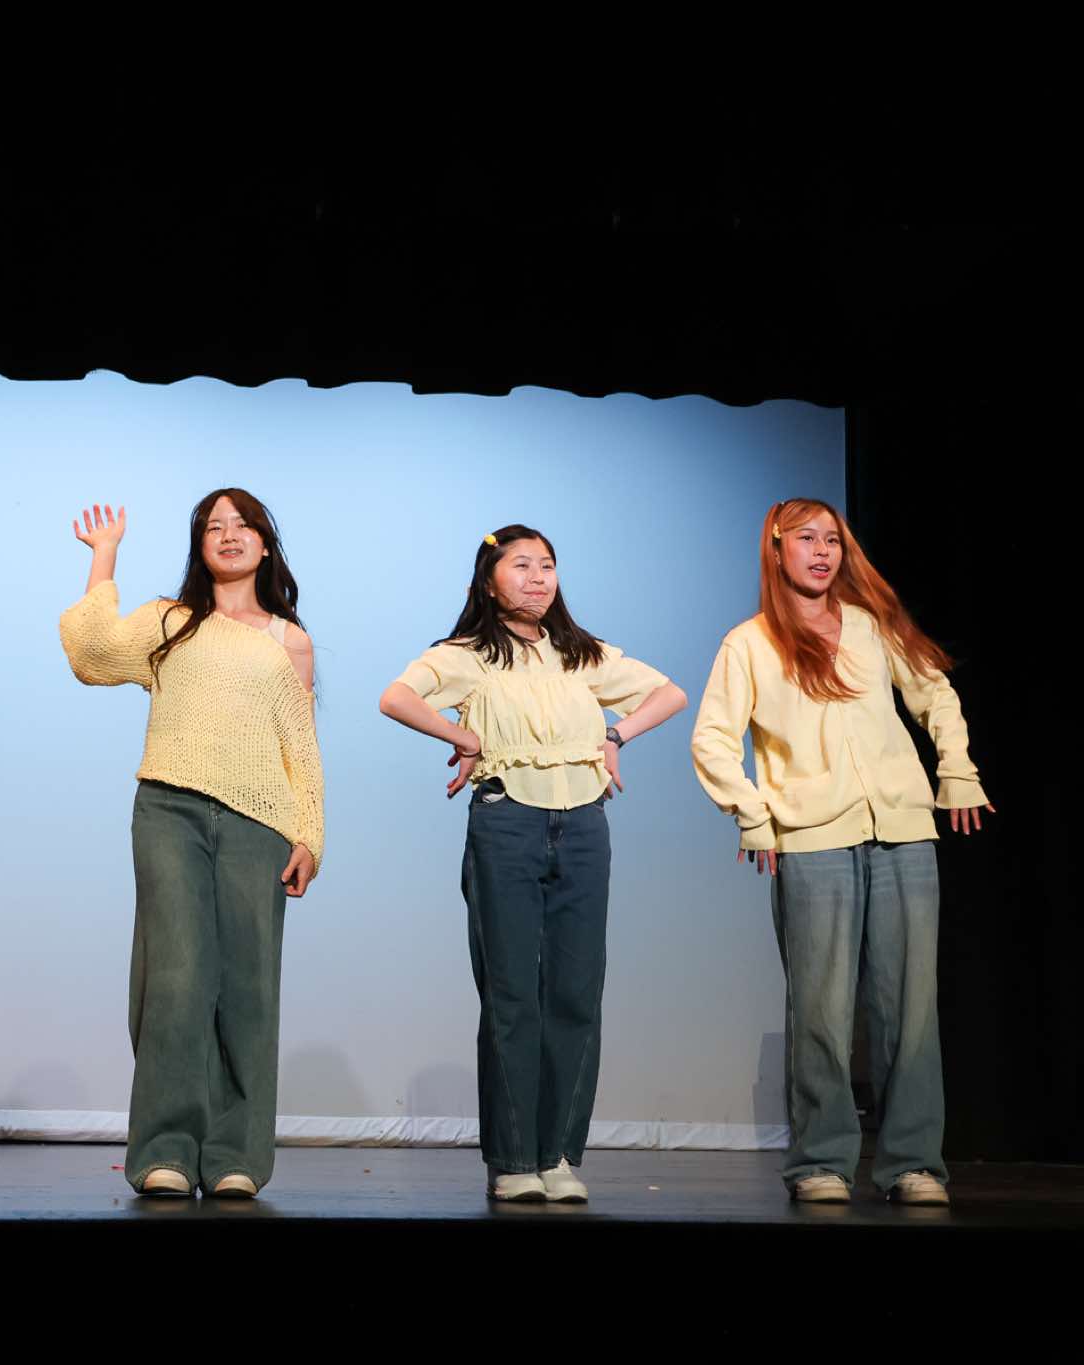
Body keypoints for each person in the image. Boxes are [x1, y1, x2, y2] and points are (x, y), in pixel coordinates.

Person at [690, 499, 991, 1205]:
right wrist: (753, 815)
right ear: (777, 549)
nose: (823, 551)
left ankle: (913, 1163)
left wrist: (957, 770)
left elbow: (935, 693)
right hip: (812, 838)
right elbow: (712, 738)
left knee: (910, 1008)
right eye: (807, 539)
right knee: (821, 1009)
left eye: (832, 539)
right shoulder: (750, 643)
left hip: (902, 830)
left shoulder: (870, 625)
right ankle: (820, 1161)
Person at [379, 525, 685, 1202]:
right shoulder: (468, 654)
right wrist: (462, 734)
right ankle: (514, 1158)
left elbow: (670, 693)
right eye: (521, 565)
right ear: (489, 580)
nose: (538, 577)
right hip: (507, 818)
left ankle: (559, 1155)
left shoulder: (581, 653)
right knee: (513, 994)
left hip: (584, 824)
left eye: (547, 565)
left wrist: (615, 734)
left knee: (576, 993)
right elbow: (396, 696)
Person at [59, 491, 323, 1198]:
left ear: (265, 543)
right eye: (214, 526)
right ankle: (166, 1149)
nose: (229, 535)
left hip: (260, 821)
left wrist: (311, 833)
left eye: (243, 525)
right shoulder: (170, 622)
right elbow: (90, 654)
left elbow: (301, 745)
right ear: (199, 545)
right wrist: (105, 555)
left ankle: (236, 1154)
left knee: (248, 985)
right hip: (169, 809)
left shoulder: (289, 640)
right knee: (174, 977)